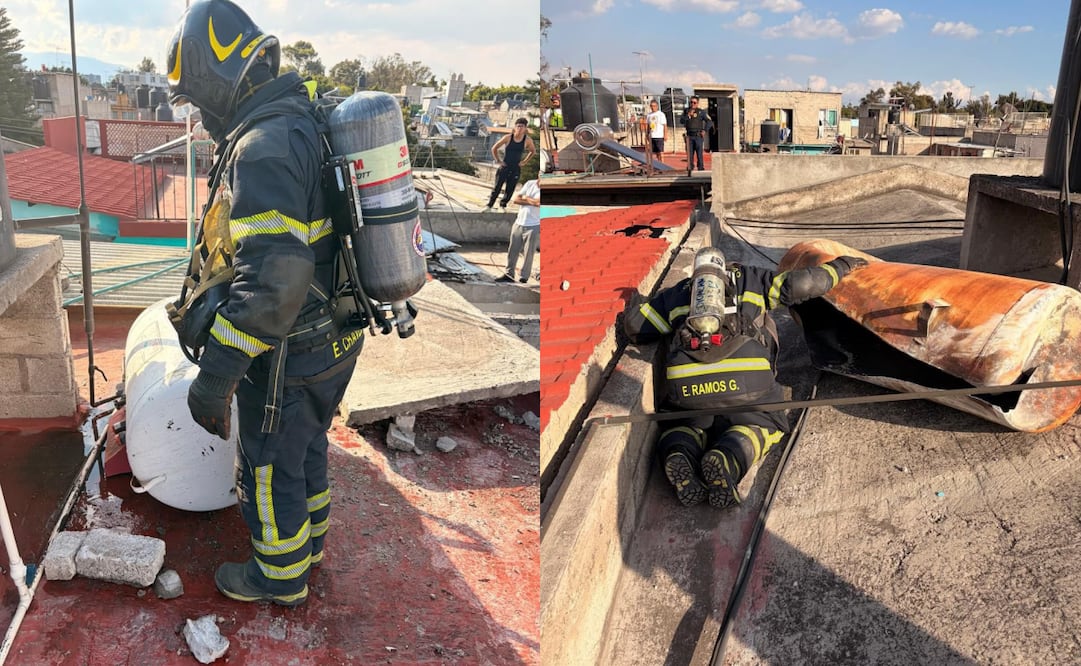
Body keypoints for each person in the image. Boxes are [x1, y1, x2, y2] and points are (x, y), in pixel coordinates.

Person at [167, 0, 364, 606]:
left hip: (289, 353)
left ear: (219, 85)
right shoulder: (301, 120)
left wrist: (216, 377)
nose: (200, 117)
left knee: (267, 465)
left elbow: (272, 285)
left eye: (198, 100)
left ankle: (279, 576)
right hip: (335, 336)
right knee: (306, 446)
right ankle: (313, 545)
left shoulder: (263, 147)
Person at [622, 247, 867, 508]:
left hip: (689, 386)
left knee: (680, 422)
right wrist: (841, 266)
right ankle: (728, 458)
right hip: (746, 381)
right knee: (765, 423)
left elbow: (636, 327)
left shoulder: (680, 292)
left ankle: (679, 449)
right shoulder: (753, 279)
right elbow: (804, 284)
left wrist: (639, 302)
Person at [485, 118, 535, 212]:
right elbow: (494, 148)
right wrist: (498, 160)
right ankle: (489, 205)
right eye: (518, 126)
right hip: (505, 166)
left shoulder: (527, 140)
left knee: (510, 188)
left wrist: (524, 161)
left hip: (516, 167)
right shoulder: (508, 137)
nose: (520, 128)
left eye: (522, 126)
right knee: (497, 187)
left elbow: (532, 151)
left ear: (525, 128)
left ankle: (502, 206)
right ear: (515, 127)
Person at [497, 178, 540, 283]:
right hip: (519, 222)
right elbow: (516, 199)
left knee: (528, 253)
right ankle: (509, 273)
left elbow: (538, 203)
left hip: (534, 224)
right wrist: (531, 200)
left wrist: (525, 198)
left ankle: (524, 276)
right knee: (512, 250)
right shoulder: (530, 183)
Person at [683, 96, 714, 171]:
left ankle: (700, 168)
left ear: (697, 103)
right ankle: (690, 168)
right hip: (689, 136)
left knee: (699, 154)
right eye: (691, 102)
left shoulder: (701, 112)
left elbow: (709, 122)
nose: (692, 104)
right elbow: (681, 121)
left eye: (694, 103)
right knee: (689, 154)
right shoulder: (686, 111)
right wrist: (688, 115)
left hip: (698, 136)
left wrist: (705, 130)